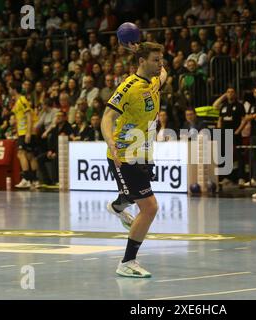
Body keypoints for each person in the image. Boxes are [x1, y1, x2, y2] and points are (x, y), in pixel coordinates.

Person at [101, 42, 167, 278]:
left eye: (161, 60)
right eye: (155, 60)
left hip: (144, 152)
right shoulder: (128, 87)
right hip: (124, 154)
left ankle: (117, 206)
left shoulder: (154, 81)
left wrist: (141, 50)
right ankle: (127, 262)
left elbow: (165, 73)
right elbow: (107, 117)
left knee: (133, 194)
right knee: (149, 207)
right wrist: (111, 143)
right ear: (141, 61)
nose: (161, 64)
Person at [213, 87, 246, 187]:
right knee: (224, 155)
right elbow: (218, 114)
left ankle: (241, 178)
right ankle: (226, 178)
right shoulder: (223, 106)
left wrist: (238, 131)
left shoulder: (240, 105)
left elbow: (244, 119)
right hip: (224, 134)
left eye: (232, 92)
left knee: (239, 155)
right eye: (228, 92)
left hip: (235, 133)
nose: (230, 94)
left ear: (235, 94)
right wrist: (219, 130)